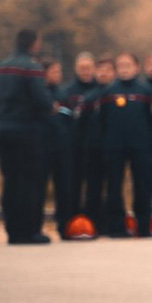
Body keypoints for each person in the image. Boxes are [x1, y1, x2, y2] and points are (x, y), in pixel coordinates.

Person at [0, 28, 56, 245]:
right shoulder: (33, 68)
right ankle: (30, 231)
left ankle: (13, 230)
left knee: (10, 181)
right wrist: (50, 107)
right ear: (34, 44)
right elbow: (41, 101)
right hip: (27, 132)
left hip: (3, 130)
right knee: (30, 182)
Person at [99, 52, 152, 238]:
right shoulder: (108, 92)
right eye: (120, 65)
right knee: (114, 186)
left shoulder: (146, 91)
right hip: (114, 146)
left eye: (127, 65)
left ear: (136, 67)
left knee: (143, 186)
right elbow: (102, 120)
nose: (124, 69)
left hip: (141, 146)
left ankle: (143, 226)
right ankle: (116, 227)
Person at [60, 52, 101, 234]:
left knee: (95, 186)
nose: (86, 72)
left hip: (95, 147)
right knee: (73, 186)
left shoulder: (102, 91)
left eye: (89, 68)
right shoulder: (67, 92)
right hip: (74, 146)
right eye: (82, 68)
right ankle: (72, 222)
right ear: (76, 70)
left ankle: (95, 222)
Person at [79, 57, 116, 233]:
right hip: (92, 148)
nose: (103, 73)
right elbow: (81, 125)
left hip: (115, 148)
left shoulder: (118, 95)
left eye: (108, 70)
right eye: (100, 70)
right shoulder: (89, 97)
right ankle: (93, 224)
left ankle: (112, 223)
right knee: (93, 188)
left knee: (113, 188)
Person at [41, 58, 77, 238]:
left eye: (59, 71)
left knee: (64, 188)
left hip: (63, 148)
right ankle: (37, 226)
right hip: (44, 147)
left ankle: (65, 226)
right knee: (40, 189)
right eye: (53, 71)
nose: (57, 75)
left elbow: (70, 120)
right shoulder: (39, 93)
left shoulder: (64, 93)